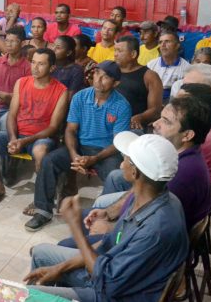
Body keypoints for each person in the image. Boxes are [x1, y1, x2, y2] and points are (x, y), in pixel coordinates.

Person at [25, 132, 187, 302]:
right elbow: (108, 243)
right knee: (41, 253)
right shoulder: (150, 198)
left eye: (125, 159)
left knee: (29, 295)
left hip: (114, 295)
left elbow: (107, 284)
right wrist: (60, 267)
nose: (121, 164)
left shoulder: (155, 229)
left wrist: (76, 228)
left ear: (135, 172)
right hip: (111, 273)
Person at [23, 61, 131, 231]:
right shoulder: (80, 97)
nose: (98, 79)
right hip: (79, 147)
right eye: (97, 73)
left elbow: (118, 142)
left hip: (105, 152)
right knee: (49, 161)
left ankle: (102, 218)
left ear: (115, 83)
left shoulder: (122, 105)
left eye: (105, 77)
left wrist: (94, 158)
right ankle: (42, 211)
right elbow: (70, 130)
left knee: (115, 176)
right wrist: (74, 155)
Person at [89, 93, 211, 232]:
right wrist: (109, 212)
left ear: (187, 135)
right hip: (142, 220)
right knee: (113, 181)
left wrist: (109, 228)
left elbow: (146, 225)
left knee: (94, 213)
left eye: (166, 121)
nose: (155, 123)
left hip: (146, 235)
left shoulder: (181, 173)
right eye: (160, 117)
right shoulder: (178, 155)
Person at [0, 48, 68, 205]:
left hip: (41, 137)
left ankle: (40, 198)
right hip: (19, 134)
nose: (35, 67)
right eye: (33, 62)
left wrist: (24, 141)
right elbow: (12, 115)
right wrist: (13, 138)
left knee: (40, 152)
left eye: (41, 64)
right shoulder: (21, 83)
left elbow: (54, 127)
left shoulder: (61, 91)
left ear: (52, 68)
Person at [171, 64, 211, 172]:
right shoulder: (206, 108)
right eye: (184, 85)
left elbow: (184, 153)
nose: (183, 89)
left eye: (190, 86)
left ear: (208, 89)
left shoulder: (209, 115)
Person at [114, 35, 163, 132]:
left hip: (132, 128)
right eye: (115, 50)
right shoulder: (111, 72)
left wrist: (139, 117)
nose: (115, 54)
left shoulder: (150, 76)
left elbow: (155, 110)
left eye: (119, 51)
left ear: (133, 54)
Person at [0, 26, 30, 131]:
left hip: (12, 110)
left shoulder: (28, 67)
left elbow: (23, 97)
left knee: (6, 125)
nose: (8, 44)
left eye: (13, 41)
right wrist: (4, 95)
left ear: (22, 43)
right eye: (6, 40)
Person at [147, 31, 190, 103]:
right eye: (160, 42)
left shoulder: (187, 68)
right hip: (152, 100)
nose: (163, 45)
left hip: (176, 103)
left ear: (177, 45)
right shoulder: (151, 64)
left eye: (167, 41)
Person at [51, 35, 85, 99]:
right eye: (53, 45)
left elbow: (70, 97)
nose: (53, 49)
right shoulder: (49, 64)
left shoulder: (76, 71)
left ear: (68, 53)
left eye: (58, 48)